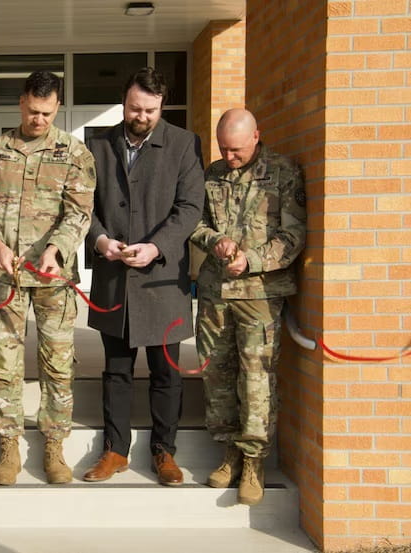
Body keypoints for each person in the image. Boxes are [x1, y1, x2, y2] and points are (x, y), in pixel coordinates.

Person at [83, 68, 204, 486]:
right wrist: (100, 241)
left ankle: (164, 452)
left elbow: (189, 208)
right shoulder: (97, 144)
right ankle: (115, 452)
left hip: (162, 280)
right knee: (116, 370)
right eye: (135, 108)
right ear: (124, 102)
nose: (142, 116)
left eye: (150, 110)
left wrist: (156, 247)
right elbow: (84, 206)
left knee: (166, 372)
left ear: (162, 106)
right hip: (113, 278)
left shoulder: (185, 145)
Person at [0, 70, 96, 486]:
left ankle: (54, 447)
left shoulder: (74, 153)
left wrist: (55, 249)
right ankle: (8, 445)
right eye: (31, 111)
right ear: (21, 102)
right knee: (3, 364)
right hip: (6, 276)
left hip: (54, 279)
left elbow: (79, 212)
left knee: (58, 365)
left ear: (57, 106)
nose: (38, 120)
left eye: (46, 113)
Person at [190, 108, 306, 505]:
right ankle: (229, 454)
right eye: (223, 148)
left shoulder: (283, 172)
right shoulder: (211, 173)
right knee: (216, 375)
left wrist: (252, 260)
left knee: (255, 379)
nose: (229, 155)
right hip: (215, 293)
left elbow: (294, 234)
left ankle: (254, 460)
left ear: (256, 136)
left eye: (236, 149)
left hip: (259, 295)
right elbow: (197, 222)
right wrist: (214, 241)